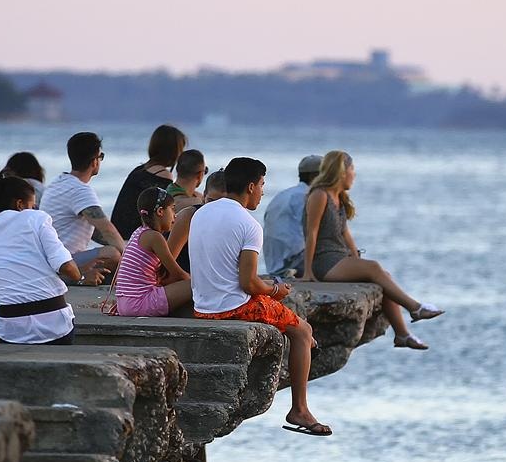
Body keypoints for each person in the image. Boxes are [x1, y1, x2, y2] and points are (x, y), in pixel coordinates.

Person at [189, 157, 330, 436]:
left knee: (284, 309)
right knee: (302, 330)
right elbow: (249, 283)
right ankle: (299, 409)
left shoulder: (201, 213)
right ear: (251, 186)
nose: (263, 192)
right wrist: (275, 290)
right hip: (232, 307)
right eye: (263, 185)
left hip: (202, 304)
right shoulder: (249, 224)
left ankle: (305, 345)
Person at [302, 150, 444, 350]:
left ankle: (402, 334)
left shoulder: (338, 197)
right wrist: (308, 271)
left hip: (339, 258)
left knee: (382, 276)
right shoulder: (319, 195)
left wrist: (355, 257)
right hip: (324, 262)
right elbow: (311, 233)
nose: (354, 175)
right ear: (342, 172)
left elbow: (345, 233)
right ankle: (415, 308)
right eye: (352, 170)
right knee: (375, 268)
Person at [0, 170, 104, 345]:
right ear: (20, 204)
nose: (35, 209)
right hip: (55, 326)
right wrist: (81, 276)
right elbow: (67, 267)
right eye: (32, 205)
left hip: (8, 330)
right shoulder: (36, 219)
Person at [41, 132, 123, 277]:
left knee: (124, 245)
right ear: (94, 161)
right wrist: (133, 259)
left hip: (51, 258)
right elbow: (107, 229)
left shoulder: (58, 182)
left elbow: (97, 232)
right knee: (113, 254)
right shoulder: (79, 190)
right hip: (63, 262)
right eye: (101, 157)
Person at [113, 186, 192, 317]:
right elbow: (177, 274)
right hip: (140, 303)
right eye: (172, 209)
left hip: (124, 304)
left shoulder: (138, 233)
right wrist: (193, 280)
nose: (175, 215)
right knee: (196, 285)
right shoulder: (155, 237)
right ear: (160, 211)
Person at [111, 123, 187, 239]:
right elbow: (167, 211)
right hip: (135, 234)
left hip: (118, 232)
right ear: (174, 151)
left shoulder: (139, 170)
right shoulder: (163, 176)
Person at [261, 154, 323, 277]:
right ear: (314, 176)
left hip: (274, 265)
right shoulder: (309, 197)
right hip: (295, 262)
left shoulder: (283, 195)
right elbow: (315, 233)